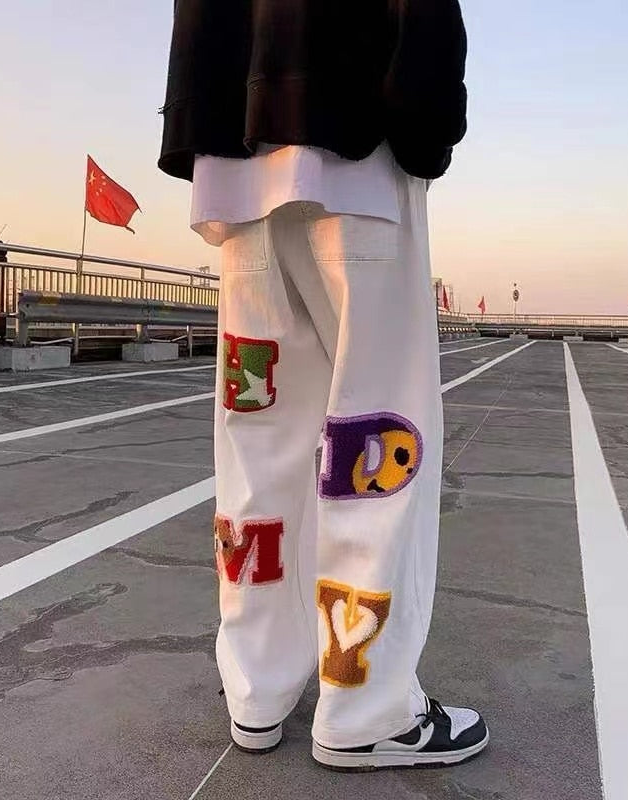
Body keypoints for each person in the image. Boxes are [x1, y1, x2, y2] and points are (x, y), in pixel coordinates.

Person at [158, 0, 488, 771]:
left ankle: (257, 688)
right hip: (354, 146)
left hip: (235, 152)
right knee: (377, 445)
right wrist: (428, 117)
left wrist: (199, 124)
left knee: (257, 446)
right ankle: (364, 707)